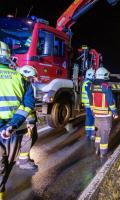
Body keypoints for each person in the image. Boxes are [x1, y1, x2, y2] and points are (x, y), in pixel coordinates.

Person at [0, 41, 35, 199]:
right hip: (12, 131)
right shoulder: (20, 79)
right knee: (5, 166)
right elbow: (28, 104)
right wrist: (11, 125)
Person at [87, 67, 118, 162]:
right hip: (105, 115)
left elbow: (90, 100)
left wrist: (93, 111)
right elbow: (110, 101)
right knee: (104, 134)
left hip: (96, 114)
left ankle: (97, 150)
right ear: (104, 75)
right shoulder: (105, 86)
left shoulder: (91, 86)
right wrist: (115, 112)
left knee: (98, 133)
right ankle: (103, 153)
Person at [16, 65, 38, 170]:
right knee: (27, 139)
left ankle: (20, 157)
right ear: (27, 76)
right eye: (32, 77)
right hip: (26, 119)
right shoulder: (25, 85)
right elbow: (27, 104)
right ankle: (23, 161)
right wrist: (29, 120)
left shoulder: (20, 84)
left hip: (23, 118)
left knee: (27, 138)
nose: (34, 79)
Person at [82, 68, 95, 140]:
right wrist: (92, 105)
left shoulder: (85, 82)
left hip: (86, 104)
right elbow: (90, 95)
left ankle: (88, 133)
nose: (94, 77)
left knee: (88, 118)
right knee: (91, 118)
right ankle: (91, 134)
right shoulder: (89, 83)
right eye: (93, 76)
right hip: (89, 104)